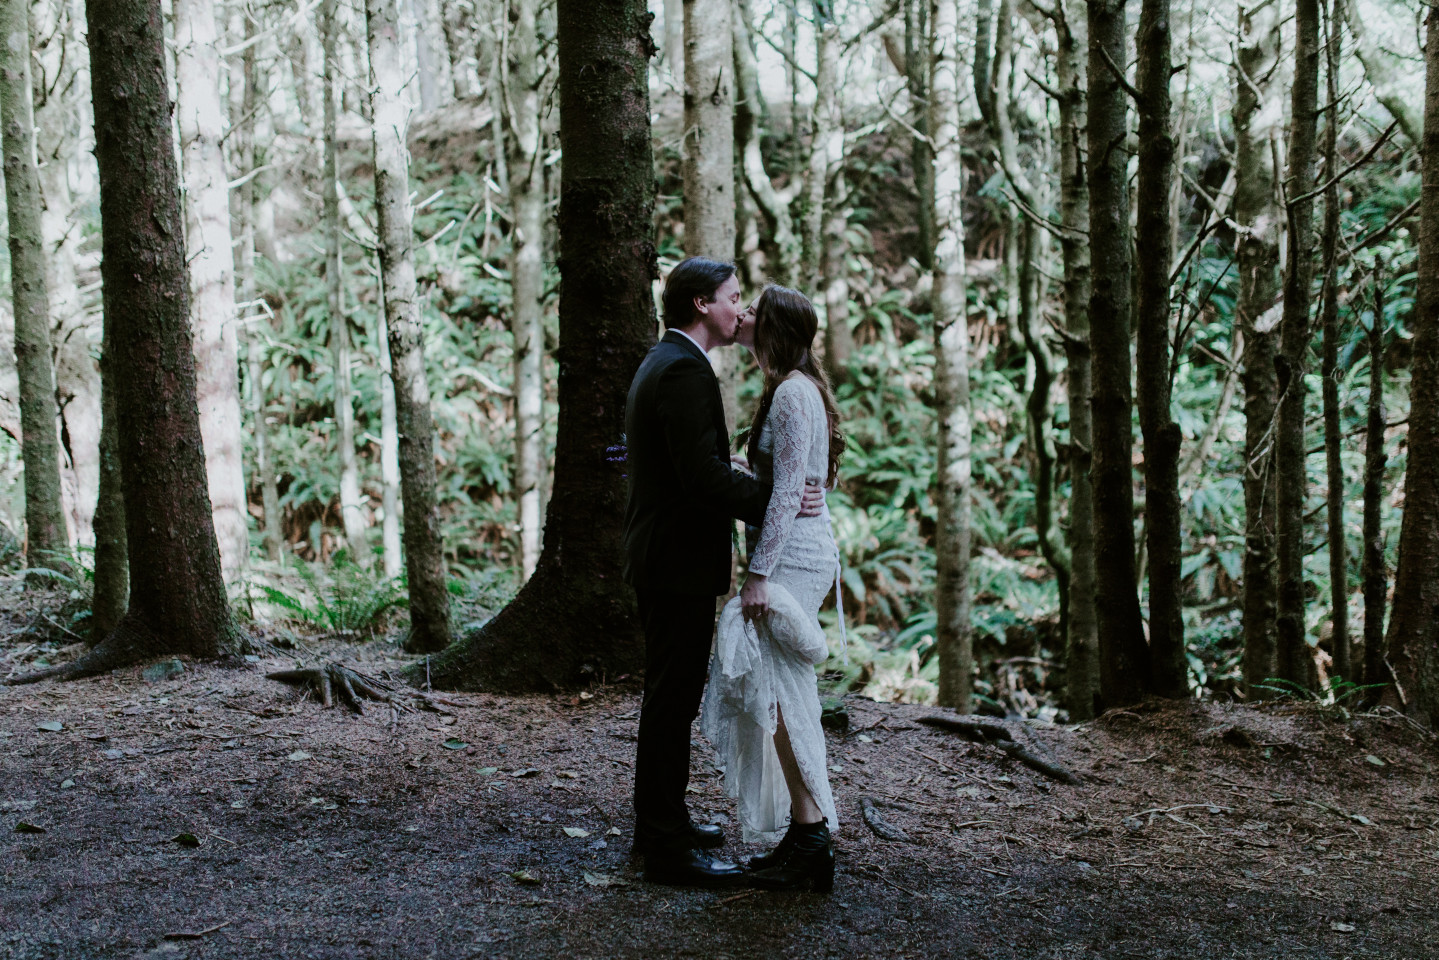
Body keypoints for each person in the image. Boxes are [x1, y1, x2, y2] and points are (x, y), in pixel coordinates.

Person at [622, 257, 825, 888]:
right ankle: (664, 846)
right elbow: (701, 479)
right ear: (702, 305)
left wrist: (769, 486)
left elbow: (700, 463)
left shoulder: (674, 362)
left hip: (670, 558)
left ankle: (666, 824)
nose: (741, 308)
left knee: (672, 699)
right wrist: (777, 497)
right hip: (674, 562)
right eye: (733, 297)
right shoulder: (682, 370)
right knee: (669, 701)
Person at [702, 284, 844, 893]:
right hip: (794, 549)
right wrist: (741, 471)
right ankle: (803, 833)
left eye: (754, 309)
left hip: (788, 561)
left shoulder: (791, 392)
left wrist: (758, 575)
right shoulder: (794, 388)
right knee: (780, 693)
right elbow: (793, 478)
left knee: (784, 696)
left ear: (775, 327)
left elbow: (790, 491)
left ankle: (811, 839)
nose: (745, 315)